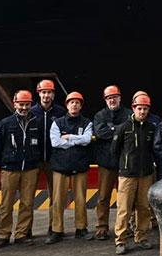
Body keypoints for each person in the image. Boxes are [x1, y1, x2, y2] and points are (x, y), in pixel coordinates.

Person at [0, 90, 45, 248]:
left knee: (27, 203)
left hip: (30, 168)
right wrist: (3, 164)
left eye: (27, 104)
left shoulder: (36, 123)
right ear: (14, 104)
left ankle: (21, 234)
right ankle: (4, 234)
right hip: (10, 169)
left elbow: (41, 143)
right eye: (21, 104)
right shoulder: (5, 123)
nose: (24, 107)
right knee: (6, 204)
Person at [110, 93, 158, 254]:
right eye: (139, 108)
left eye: (145, 109)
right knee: (124, 209)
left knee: (144, 208)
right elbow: (114, 150)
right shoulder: (123, 128)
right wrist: (125, 165)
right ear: (133, 108)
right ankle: (121, 240)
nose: (142, 112)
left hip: (146, 174)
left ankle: (141, 236)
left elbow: (153, 150)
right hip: (127, 175)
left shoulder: (151, 128)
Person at [47, 91, 93, 243]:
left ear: (81, 106)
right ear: (67, 105)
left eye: (77, 102)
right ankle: (57, 230)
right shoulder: (57, 123)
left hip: (80, 165)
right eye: (71, 102)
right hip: (60, 166)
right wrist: (76, 141)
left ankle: (81, 228)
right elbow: (55, 142)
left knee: (80, 199)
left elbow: (87, 140)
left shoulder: (87, 123)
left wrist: (68, 137)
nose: (74, 105)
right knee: (57, 200)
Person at [91, 85, 128, 240]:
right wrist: (118, 130)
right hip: (106, 162)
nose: (112, 100)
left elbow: (128, 131)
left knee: (125, 198)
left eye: (114, 97)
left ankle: (125, 227)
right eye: (109, 98)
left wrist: (112, 129)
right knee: (103, 196)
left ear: (119, 97)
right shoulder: (99, 116)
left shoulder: (128, 114)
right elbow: (100, 133)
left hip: (124, 162)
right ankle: (102, 227)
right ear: (105, 100)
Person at [31, 79, 67, 236]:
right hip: (34, 160)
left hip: (54, 160)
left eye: (49, 92)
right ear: (38, 93)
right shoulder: (31, 112)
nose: (46, 95)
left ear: (53, 94)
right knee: (28, 197)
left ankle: (54, 228)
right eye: (43, 92)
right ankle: (25, 229)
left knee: (56, 196)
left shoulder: (60, 113)